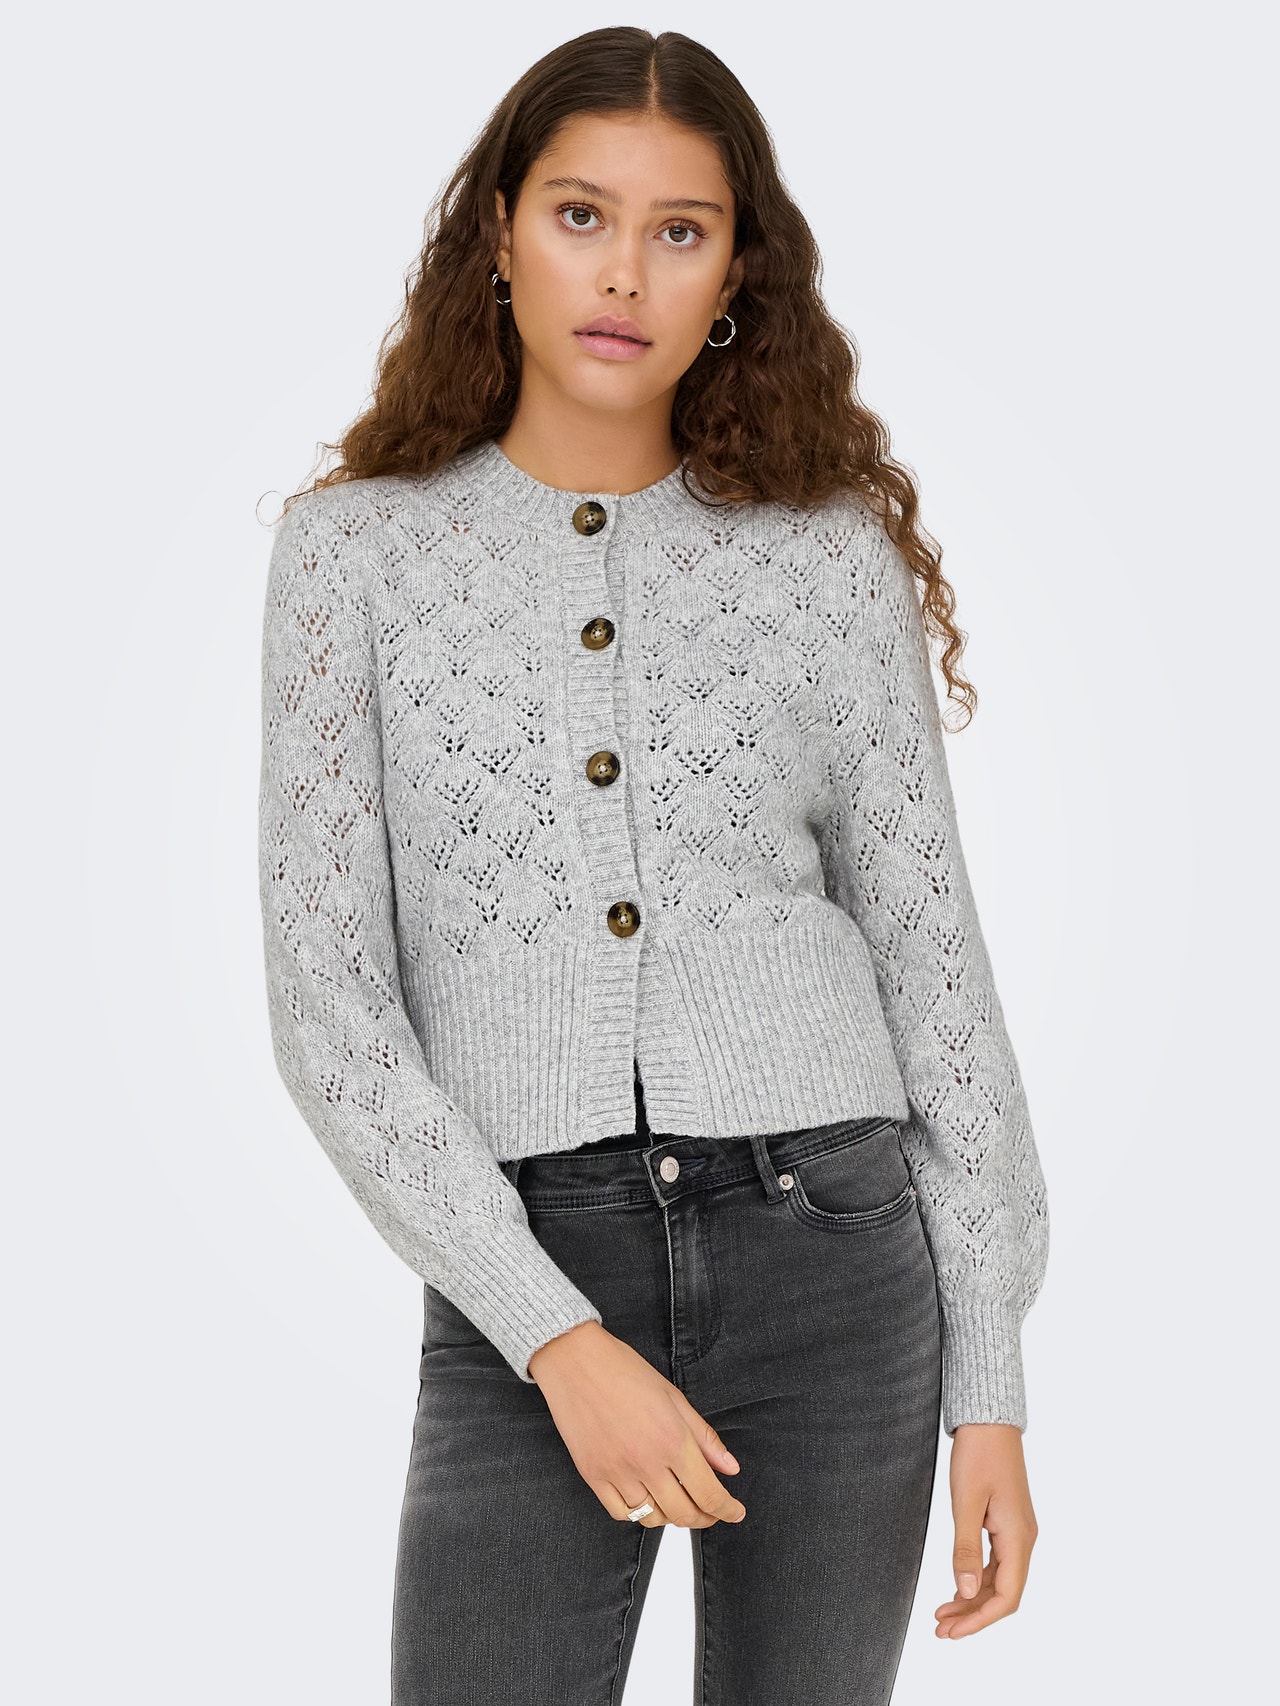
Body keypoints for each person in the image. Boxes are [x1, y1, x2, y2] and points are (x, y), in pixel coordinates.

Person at [256, 25, 1050, 1705]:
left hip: (836, 1245)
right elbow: (332, 1010)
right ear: (498, 231)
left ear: (736, 271)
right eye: (581, 215)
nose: (625, 273)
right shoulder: (354, 555)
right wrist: (551, 1330)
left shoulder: (824, 559)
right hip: (528, 1254)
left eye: (679, 229)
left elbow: (937, 972)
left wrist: (991, 1373)